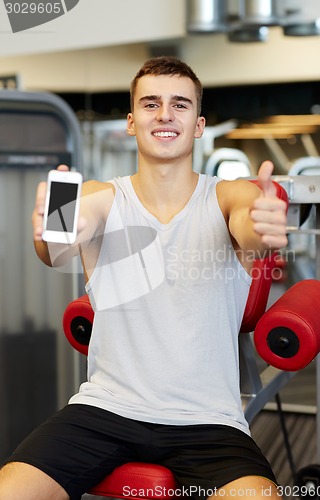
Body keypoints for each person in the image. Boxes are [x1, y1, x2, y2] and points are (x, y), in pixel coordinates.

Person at [0, 56, 287, 500]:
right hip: (105, 410)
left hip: (207, 420)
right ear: (132, 122)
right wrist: (56, 226)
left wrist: (262, 226)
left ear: (198, 124)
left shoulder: (231, 195)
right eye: (151, 104)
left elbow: (249, 224)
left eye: (180, 104)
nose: (165, 114)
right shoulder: (102, 197)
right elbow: (57, 246)